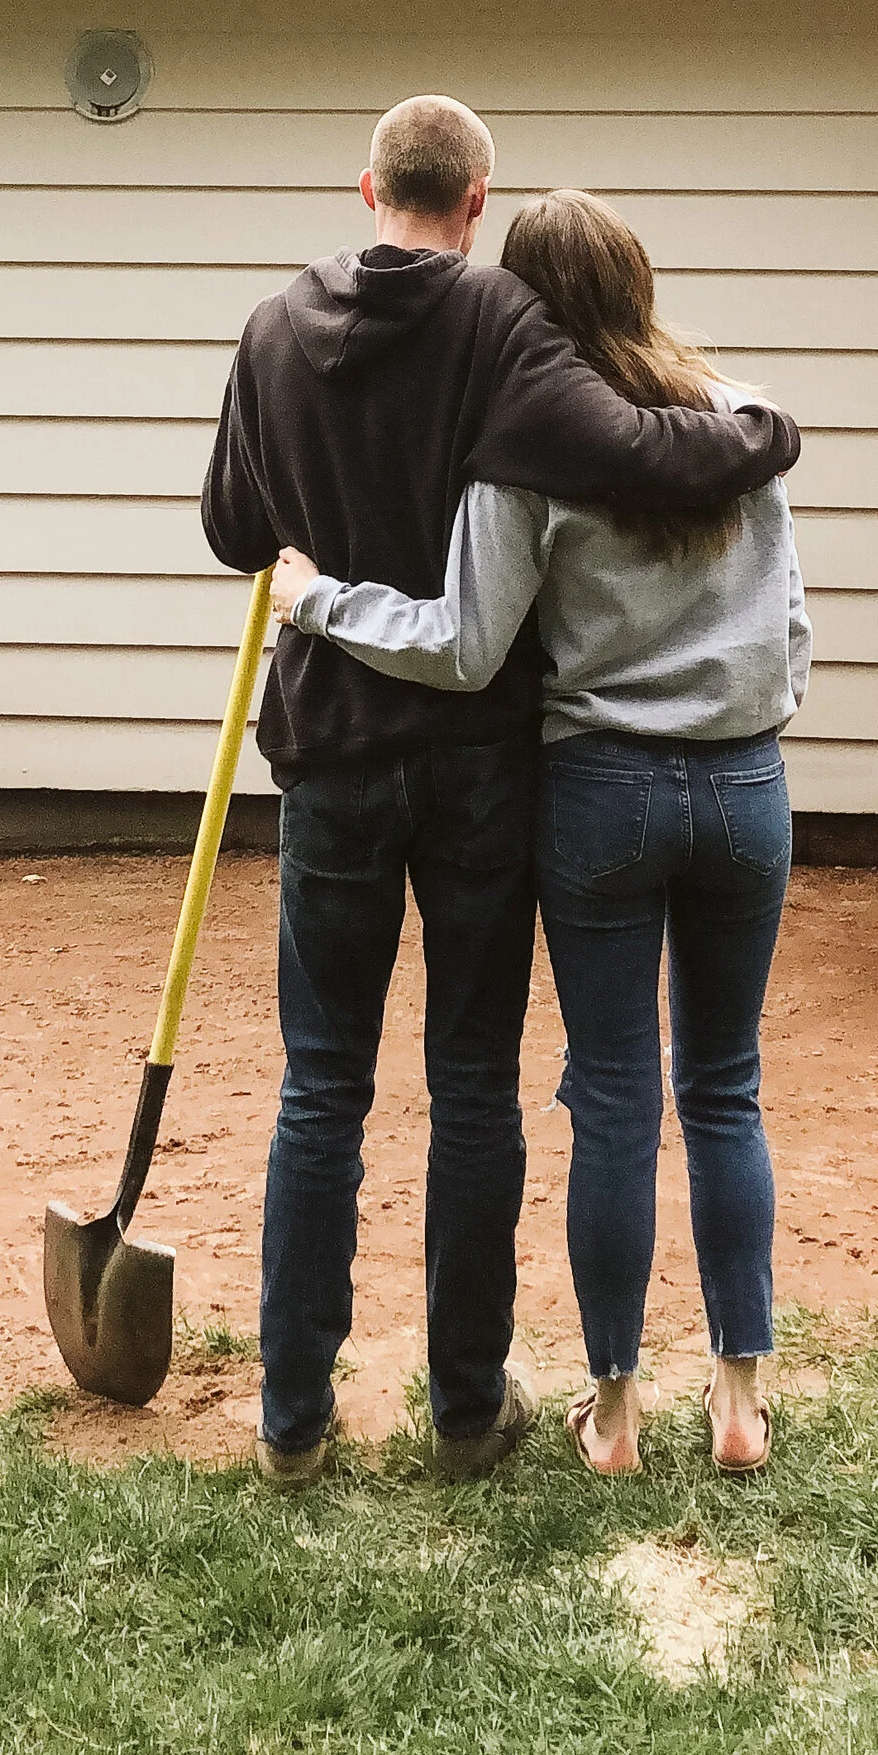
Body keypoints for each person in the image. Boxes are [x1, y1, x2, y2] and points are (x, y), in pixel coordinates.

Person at [202, 101, 799, 1489]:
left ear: (369, 188)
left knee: (319, 1090)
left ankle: (292, 1425)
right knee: (474, 1085)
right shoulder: (500, 325)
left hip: (334, 757)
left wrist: (308, 570)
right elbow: (646, 451)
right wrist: (765, 432)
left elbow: (234, 526)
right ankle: (467, 1412)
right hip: (481, 767)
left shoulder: (266, 334)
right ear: (476, 202)